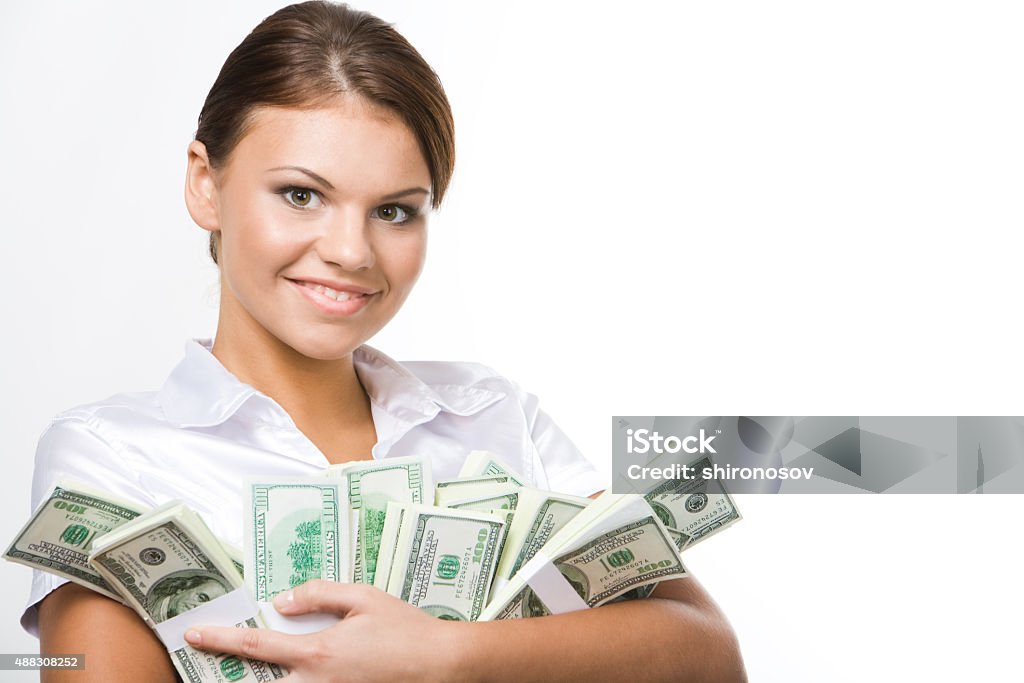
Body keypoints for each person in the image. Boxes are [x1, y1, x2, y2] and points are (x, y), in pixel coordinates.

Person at [28, 2, 746, 681]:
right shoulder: (110, 454)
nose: (350, 251)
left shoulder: (493, 415)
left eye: (396, 210)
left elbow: (707, 652)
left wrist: (445, 655)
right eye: (301, 194)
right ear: (205, 185)